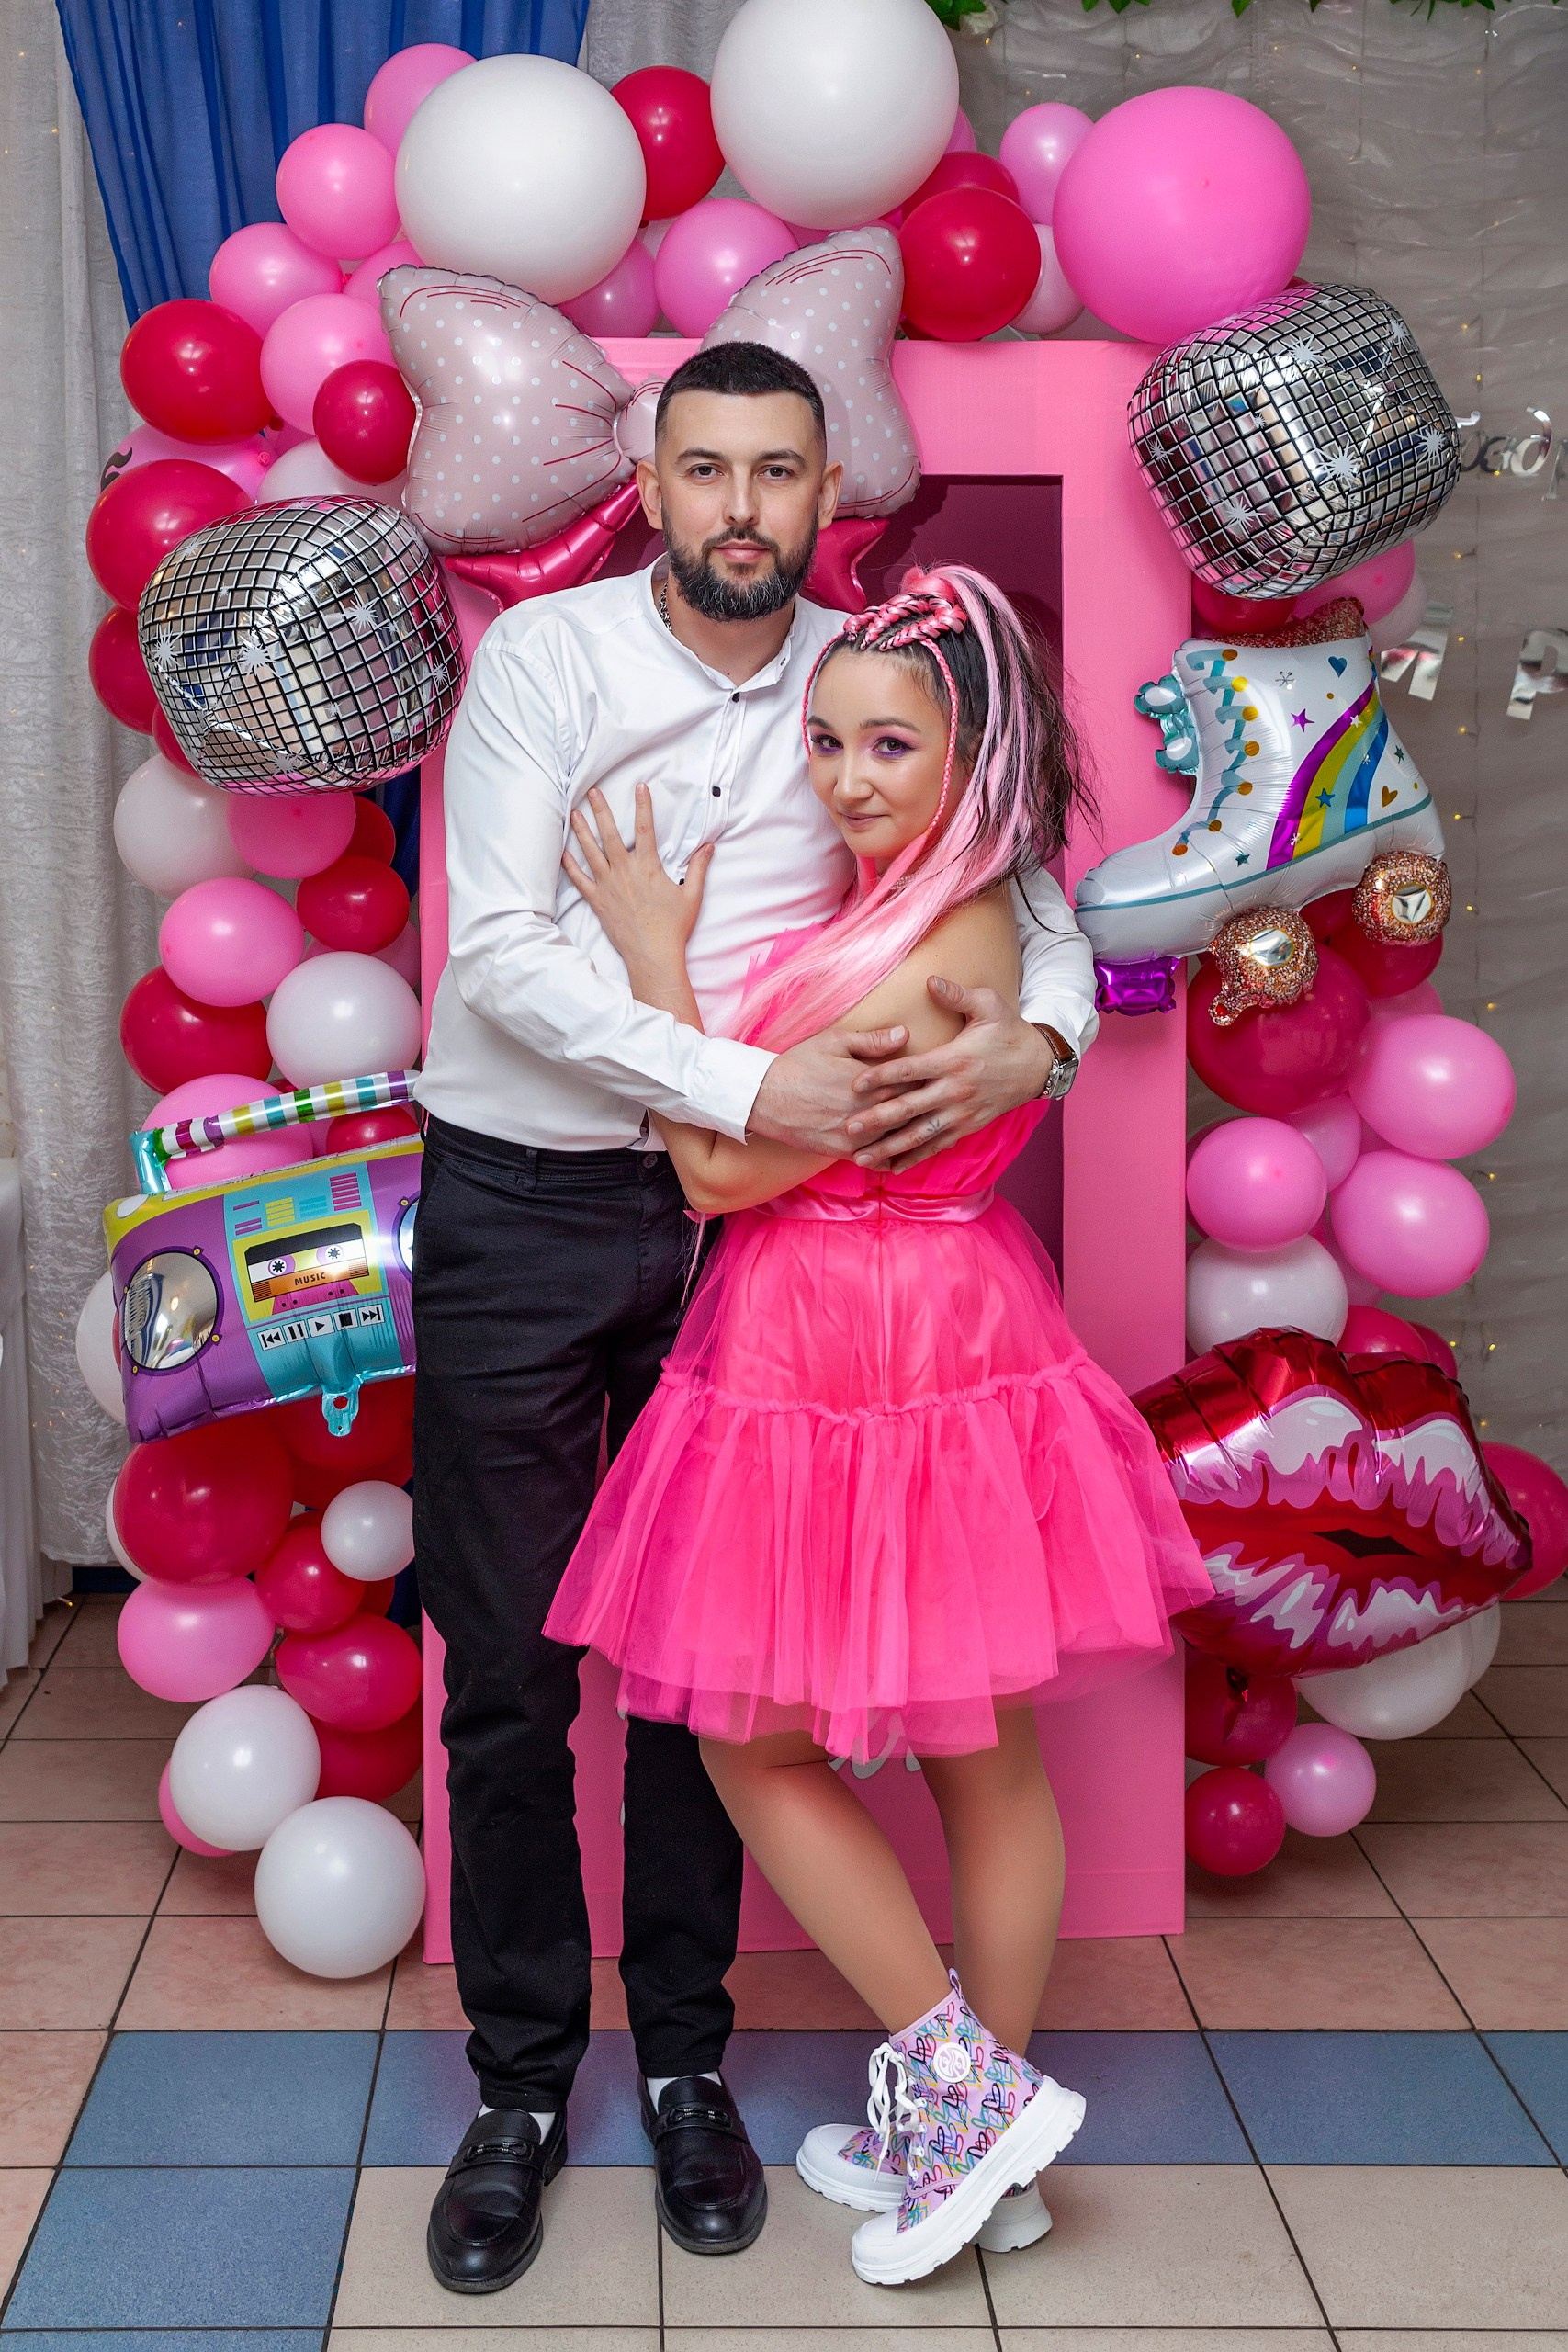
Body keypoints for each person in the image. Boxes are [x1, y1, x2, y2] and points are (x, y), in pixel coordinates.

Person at [413, 340, 1100, 2295]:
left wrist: (1040, 1039)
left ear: (824, 492)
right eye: (703, 468)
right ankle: (521, 2089)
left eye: (775, 472)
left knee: (701, 1679)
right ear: (647, 484)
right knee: (507, 1672)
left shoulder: (865, 673)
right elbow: (499, 950)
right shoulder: (544, 663)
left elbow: (1023, 885)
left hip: (753, 1242)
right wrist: (731, 1080)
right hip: (530, 1201)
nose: (738, 506)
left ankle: (687, 2066)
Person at [545, 564, 1212, 2288]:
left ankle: (967, 2105)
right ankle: (981, 2140)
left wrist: (655, 956)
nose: (845, 777)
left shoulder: (934, 950)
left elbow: (715, 1171)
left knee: (763, 1749)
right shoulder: (948, 911)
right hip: (928, 1312)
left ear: (971, 758)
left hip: (864, 1333)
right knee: (982, 1752)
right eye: (829, 740)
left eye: (889, 745)